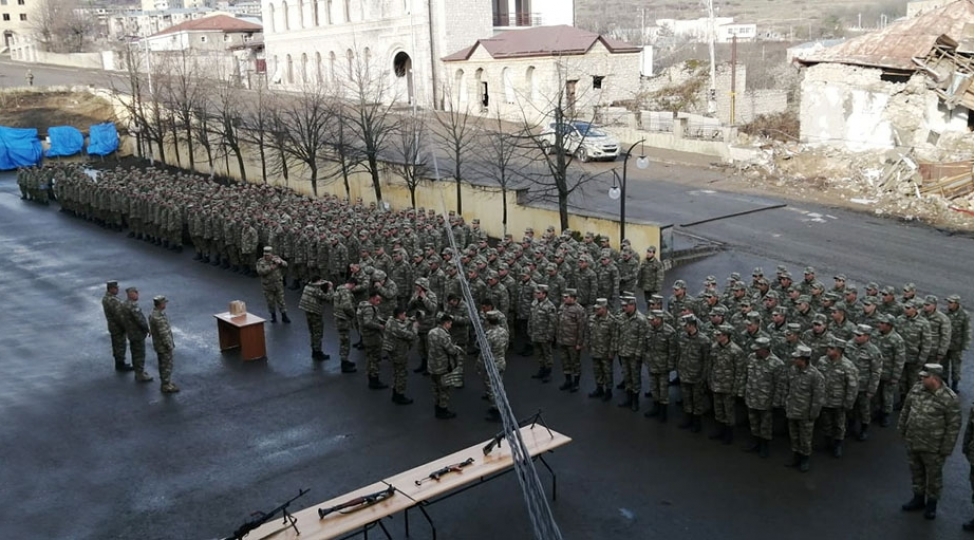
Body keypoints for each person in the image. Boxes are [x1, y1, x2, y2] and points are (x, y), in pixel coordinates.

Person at [898, 363, 962, 520]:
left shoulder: (949, 398)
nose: (921, 379)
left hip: (933, 446)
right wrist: (901, 429)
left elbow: (953, 426)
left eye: (925, 377)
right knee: (916, 472)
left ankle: (932, 504)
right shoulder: (916, 389)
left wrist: (946, 449)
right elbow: (906, 409)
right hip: (913, 440)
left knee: (934, 477)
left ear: (935, 378)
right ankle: (918, 498)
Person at [782, 345, 825, 472]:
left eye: (797, 358)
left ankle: (805, 458)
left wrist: (813, 413)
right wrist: (785, 403)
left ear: (804, 359)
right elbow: (787, 386)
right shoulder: (792, 370)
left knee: (805, 437)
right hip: (792, 409)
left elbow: (818, 397)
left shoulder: (815, 375)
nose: (794, 360)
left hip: (805, 412)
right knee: (794, 435)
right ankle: (796, 455)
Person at [815, 337, 860, 458]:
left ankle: (837, 444)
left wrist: (848, 403)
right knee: (826, 422)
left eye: (831, 348)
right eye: (828, 347)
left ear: (839, 351)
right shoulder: (822, 361)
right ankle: (827, 441)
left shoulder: (848, 366)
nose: (828, 350)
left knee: (839, 424)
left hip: (839, 401)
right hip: (824, 399)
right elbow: (817, 379)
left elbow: (852, 386)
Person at [742, 336, 783, 457]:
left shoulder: (776, 363)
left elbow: (780, 385)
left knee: (765, 425)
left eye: (758, 349)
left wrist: (776, 402)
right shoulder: (751, 358)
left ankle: (765, 445)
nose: (755, 351)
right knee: (753, 422)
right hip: (751, 396)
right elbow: (745, 375)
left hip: (766, 400)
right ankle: (755, 442)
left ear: (765, 349)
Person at [708, 324, 746, 444]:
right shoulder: (714, 347)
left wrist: (737, 389)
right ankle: (720, 430)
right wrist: (710, 381)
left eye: (719, 335)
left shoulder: (736, 351)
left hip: (729, 387)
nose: (716, 336)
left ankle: (729, 434)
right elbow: (711, 365)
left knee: (728, 411)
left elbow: (740, 371)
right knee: (718, 410)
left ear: (726, 336)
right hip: (716, 384)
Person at [428, 314, 464, 419]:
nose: (451, 326)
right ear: (446, 323)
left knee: (435, 388)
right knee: (444, 389)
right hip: (442, 366)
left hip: (432, 365)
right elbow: (451, 350)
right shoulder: (444, 335)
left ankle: (437, 408)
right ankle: (443, 410)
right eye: (450, 324)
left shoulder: (431, 332)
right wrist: (457, 349)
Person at [383, 306, 417, 405]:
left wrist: (410, 320)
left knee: (396, 372)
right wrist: (415, 326)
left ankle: (395, 392)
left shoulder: (391, 320)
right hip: (399, 353)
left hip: (393, 351)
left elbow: (402, 323)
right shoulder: (398, 328)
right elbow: (412, 336)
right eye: (404, 315)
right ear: (399, 315)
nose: (405, 317)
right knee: (402, 373)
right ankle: (400, 395)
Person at [586, 298, 618, 402]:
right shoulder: (592, 318)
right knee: (597, 370)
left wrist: (612, 352)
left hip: (605, 352)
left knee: (607, 372)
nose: (596, 310)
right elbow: (588, 332)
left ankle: (608, 391)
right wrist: (587, 345)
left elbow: (614, 337)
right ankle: (599, 388)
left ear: (604, 308)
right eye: (595, 308)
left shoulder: (611, 320)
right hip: (594, 349)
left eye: (598, 309)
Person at [556, 289, 586, 392]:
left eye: (566, 297)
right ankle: (568, 381)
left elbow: (581, 328)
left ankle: (576, 383)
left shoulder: (579, 310)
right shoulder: (562, 306)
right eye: (564, 297)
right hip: (562, 340)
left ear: (573, 298)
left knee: (575, 363)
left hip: (573, 342)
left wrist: (579, 343)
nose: (564, 299)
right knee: (565, 362)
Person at [356, 291, 388, 390]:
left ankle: (371, 378)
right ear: (372, 298)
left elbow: (374, 317)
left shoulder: (364, 305)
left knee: (370, 358)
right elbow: (368, 322)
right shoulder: (369, 308)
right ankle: (374, 380)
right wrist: (380, 326)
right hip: (372, 337)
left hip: (366, 336)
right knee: (375, 358)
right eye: (377, 300)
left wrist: (383, 321)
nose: (379, 302)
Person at [481, 310, 509, 422]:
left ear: (488, 321)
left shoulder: (489, 335)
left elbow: (485, 351)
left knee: (492, 387)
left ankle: (496, 409)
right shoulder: (503, 331)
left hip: (492, 363)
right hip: (501, 360)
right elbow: (506, 346)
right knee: (499, 384)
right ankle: (502, 404)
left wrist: (480, 364)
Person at [121, 286, 153, 383]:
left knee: (135, 352)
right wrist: (148, 329)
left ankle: (138, 371)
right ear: (131, 294)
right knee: (139, 354)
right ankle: (140, 374)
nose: (137, 294)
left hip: (131, 332)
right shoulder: (133, 306)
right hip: (137, 333)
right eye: (135, 293)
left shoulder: (125, 304)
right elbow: (140, 320)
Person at [148, 295, 178, 393]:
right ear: (160, 304)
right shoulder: (158, 317)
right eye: (164, 303)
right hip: (163, 346)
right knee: (166, 365)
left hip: (159, 345)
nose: (165, 304)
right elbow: (163, 333)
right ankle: (166, 385)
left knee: (163, 364)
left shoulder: (155, 314)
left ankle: (166, 382)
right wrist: (169, 345)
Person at [101, 280, 133, 372]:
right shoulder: (112, 300)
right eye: (116, 288)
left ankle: (119, 363)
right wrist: (127, 326)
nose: (117, 289)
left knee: (117, 344)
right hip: (117, 327)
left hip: (113, 326)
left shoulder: (107, 298)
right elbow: (119, 315)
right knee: (120, 345)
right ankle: (120, 364)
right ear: (111, 289)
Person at [299, 277, 332, 360]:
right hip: (315, 313)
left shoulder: (307, 286)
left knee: (312, 333)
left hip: (308, 312)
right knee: (318, 333)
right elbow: (329, 298)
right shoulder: (316, 290)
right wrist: (330, 288)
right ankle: (318, 352)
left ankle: (314, 351)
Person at [255, 246, 291, 323]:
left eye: (268, 255)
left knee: (281, 301)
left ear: (271, 254)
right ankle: (273, 316)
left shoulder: (276, 258)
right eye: (265, 255)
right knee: (270, 302)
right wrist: (271, 267)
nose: (266, 257)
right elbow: (260, 272)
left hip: (278, 284)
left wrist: (280, 262)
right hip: (267, 286)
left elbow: (286, 264)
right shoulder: (261, 262)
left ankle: (284, 316)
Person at [943, 294, 970, 392]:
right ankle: (945, 384)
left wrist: (965, 345)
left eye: (951, 302)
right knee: (944, 366)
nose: (948, 304)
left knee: (956, 367)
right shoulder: (945, 313)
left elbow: (967, 330)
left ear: (956, 304)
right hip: (945, 344)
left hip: (956, 346)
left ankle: (955, 386)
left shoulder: (964, 315)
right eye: (948, 302)